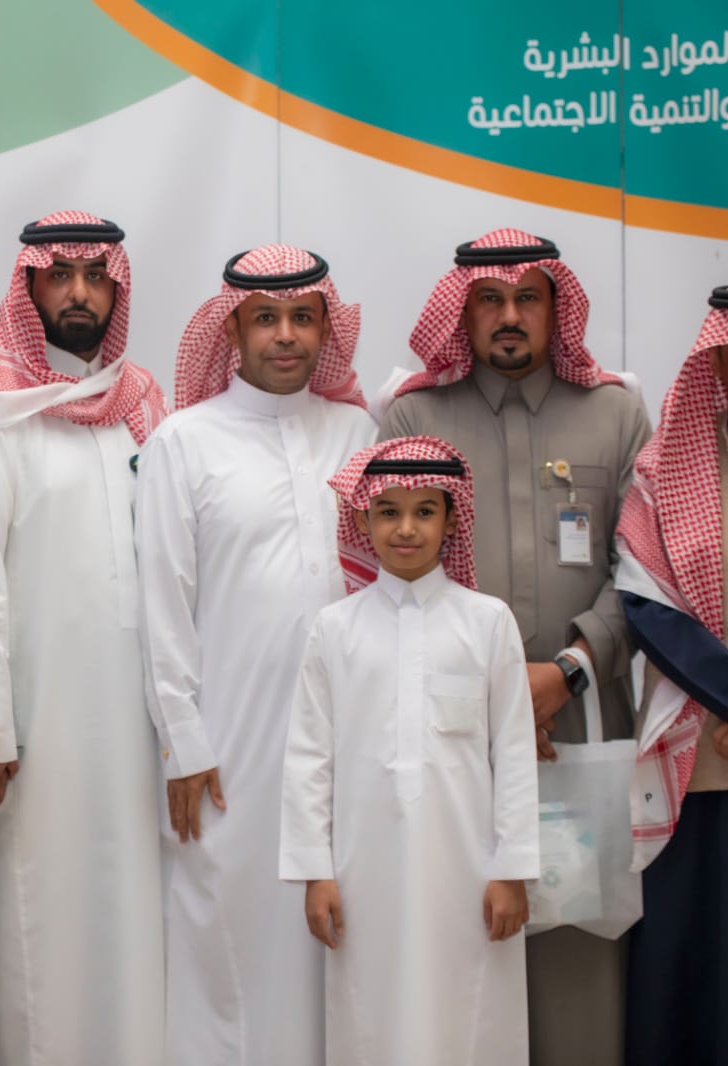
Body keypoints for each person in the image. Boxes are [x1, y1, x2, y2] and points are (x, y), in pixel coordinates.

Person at [378, 228, 650, 1063]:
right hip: (456, 728)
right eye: (489, 300)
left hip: (582, 723)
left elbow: (646, 570)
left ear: (556, 309)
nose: (509, 316)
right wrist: (498, 693)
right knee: (462, 957)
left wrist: (569, 670)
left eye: (528, 298)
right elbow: (391, 574)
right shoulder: (414, 417)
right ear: (460, 314)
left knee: (577, 965)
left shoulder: (616, 413)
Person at [0, 211, 167, 1066]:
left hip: (136, 727)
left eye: (95, 276)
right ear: (28, 287)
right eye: (60, 276)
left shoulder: (142, 405)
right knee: (39, 921)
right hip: (35, 723)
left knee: (135, 915)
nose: (79, 293)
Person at [135, 245, 376, 1063]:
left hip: (350, 736)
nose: (285, 335)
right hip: (229, 746)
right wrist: (183, 743)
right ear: (231, 330)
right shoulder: (183, 441)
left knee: (341, 934)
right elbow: (163, 603)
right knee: (229, 936)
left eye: (303, 318)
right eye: (265, 318)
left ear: (325, 330)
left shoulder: (357, 433)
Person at [280, 435, 539, 1065]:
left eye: (425, 511)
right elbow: (309, 758)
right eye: (388, 511)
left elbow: (514, 752)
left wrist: (512, 869)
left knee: (471, 1018)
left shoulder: (488, 621)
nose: (406, 529)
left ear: (451, 520)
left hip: (471, 871)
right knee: (372, 1016)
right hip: (361, 871)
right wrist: (316, 872)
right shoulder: (334, 629)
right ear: (363, 519)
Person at [615, 279, 728, 1065]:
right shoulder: (667, 465)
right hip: (700, 750)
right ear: (715, 359)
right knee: (695, 960)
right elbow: (645, 603)